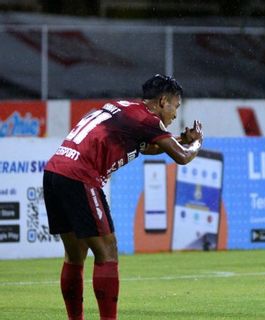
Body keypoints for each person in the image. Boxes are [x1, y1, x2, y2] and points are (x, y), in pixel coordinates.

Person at [43, 74, 204, 320]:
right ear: (163, 101)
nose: (174, 115)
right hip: (80, 176)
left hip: (55, 172)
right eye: (175, 107)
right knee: (108, 251)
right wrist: (196, 144)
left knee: (75, 256)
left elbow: (147, 146)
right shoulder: (147, 119)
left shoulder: (126, 109)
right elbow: (182, 157)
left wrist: (180, 139)